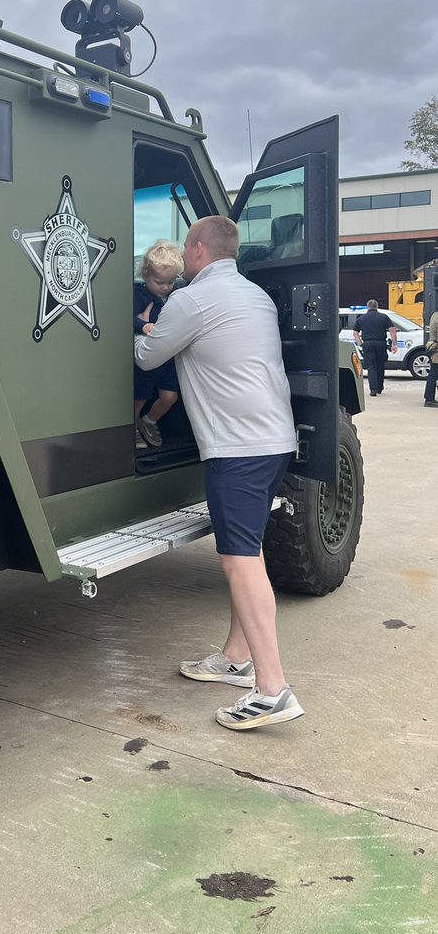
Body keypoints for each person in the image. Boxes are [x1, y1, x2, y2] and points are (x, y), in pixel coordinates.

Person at [135, 215, 303, 730]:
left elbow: (147, 359)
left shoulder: (191, 299)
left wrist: (146, 329)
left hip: (238, 450)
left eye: (188, 248)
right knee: (245, 550)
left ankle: (272, 689)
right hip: (275, 441)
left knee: (238, 562)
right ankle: (236, 657)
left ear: (199, 250)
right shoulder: (256, 296)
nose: (184, 258)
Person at [133, 240, 183, 448]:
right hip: (146, 360)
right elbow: (125, 318)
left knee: (170, 396)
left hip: (168, 359)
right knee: (139, 398)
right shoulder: (138, 296)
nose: (165, 287)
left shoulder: (176, 297)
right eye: (159, 282)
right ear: (145, 275)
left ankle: (149, 421)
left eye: (170, 282)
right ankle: (132, 427)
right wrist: (143, 325)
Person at [352, 300, 397, 397]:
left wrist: (360, 344)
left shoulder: (361, 318)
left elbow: (355, 333)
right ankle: (380, 387)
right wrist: (394, 344)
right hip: (381, 343)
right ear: (376, 306)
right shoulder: (384, 317)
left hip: (367, 344)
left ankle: (373, 389)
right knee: (380, 366)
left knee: (371, 367)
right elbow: (392, 330)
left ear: (368, 307)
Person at [424, 307, 438, 408]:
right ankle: (429, 399)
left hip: (433, 347)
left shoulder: (435, 315)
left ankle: (428, 398)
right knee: (433, 374)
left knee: (433, 374)